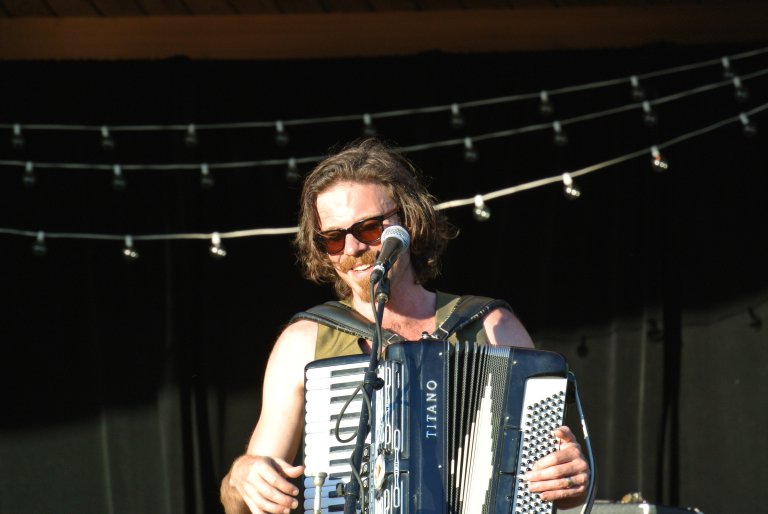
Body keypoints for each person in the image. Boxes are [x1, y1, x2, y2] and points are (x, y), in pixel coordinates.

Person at [220, 139, 590, 514]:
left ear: (409, 221)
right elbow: (243, 503)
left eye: (367, 229)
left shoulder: (493, 327)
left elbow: (555, 492)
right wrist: (242, 477)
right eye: (332, 238)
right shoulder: (303, 343)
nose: (351, 249)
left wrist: (570, 482)